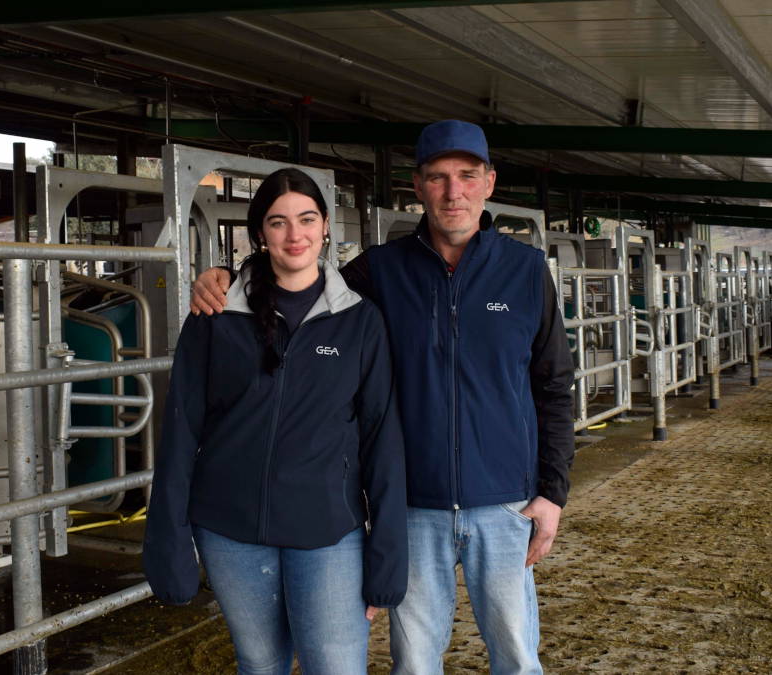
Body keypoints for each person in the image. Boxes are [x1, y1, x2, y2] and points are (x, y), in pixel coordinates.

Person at [189, 120, 575, 674]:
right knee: (414, 661)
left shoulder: (526, 271)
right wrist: (232, 275)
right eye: (438, 178)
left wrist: (552, 492)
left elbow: (554, 386)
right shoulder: (378, 270)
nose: (453, 192)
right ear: (416, 186)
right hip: (413, 508)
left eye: (467, 176)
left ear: (489, 182)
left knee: (516, 654)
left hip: (506, 503)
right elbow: (300, 277)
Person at [144, 167, 408, 674]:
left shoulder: (359, 320)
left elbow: (382, 439)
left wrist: (387, 554)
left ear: (326, 226)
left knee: (334, 666)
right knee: (259, 664)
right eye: (278, 222)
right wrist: (169, 538)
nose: (295, 235)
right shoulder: (216, 314)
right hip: (230, 530)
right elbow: (181, 432)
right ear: (259, 232)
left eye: (307, 219)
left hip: (329, 531)